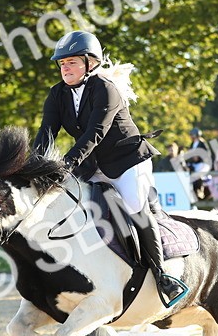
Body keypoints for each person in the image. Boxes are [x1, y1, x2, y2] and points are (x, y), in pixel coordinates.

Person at [33, 30, 188, 307]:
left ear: (90, 63)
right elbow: (46, 133)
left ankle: (162, 276)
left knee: (134, 207)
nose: (65, 68)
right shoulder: (56, 94)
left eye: (71, 62)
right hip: (92, 164)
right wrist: (33, 165)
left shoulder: (106, 89)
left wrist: (66, 163)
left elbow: (95, 132)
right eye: (62, 64)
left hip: (127, 161)